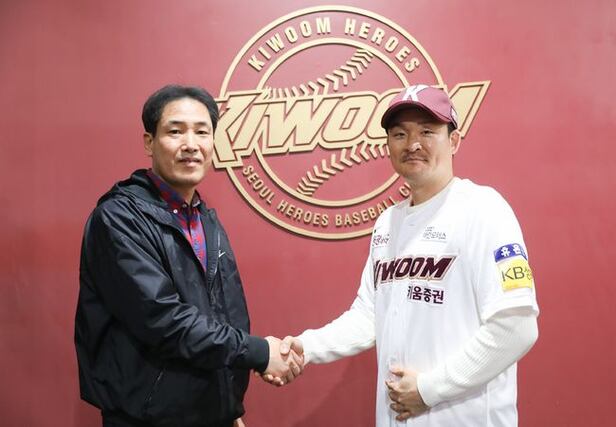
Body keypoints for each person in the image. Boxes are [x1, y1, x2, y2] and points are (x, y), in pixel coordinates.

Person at [266, 84, 539, 426]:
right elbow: (369, 317)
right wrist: (305, 347)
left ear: (454, 141)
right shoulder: (387, 223)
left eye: (427, 132)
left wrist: (429, 388)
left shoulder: (483, 209)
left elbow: (516, 327)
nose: (412, 144)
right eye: (399, 134)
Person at [75, 84, 301, 427]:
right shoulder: (118, 218)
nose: (191, 144)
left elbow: (221, 316)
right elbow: (164, 321)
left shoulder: (204, 218)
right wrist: (259, 353)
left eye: (202, 132)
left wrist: (227, 406)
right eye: (175, 131)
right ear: (149, 142)